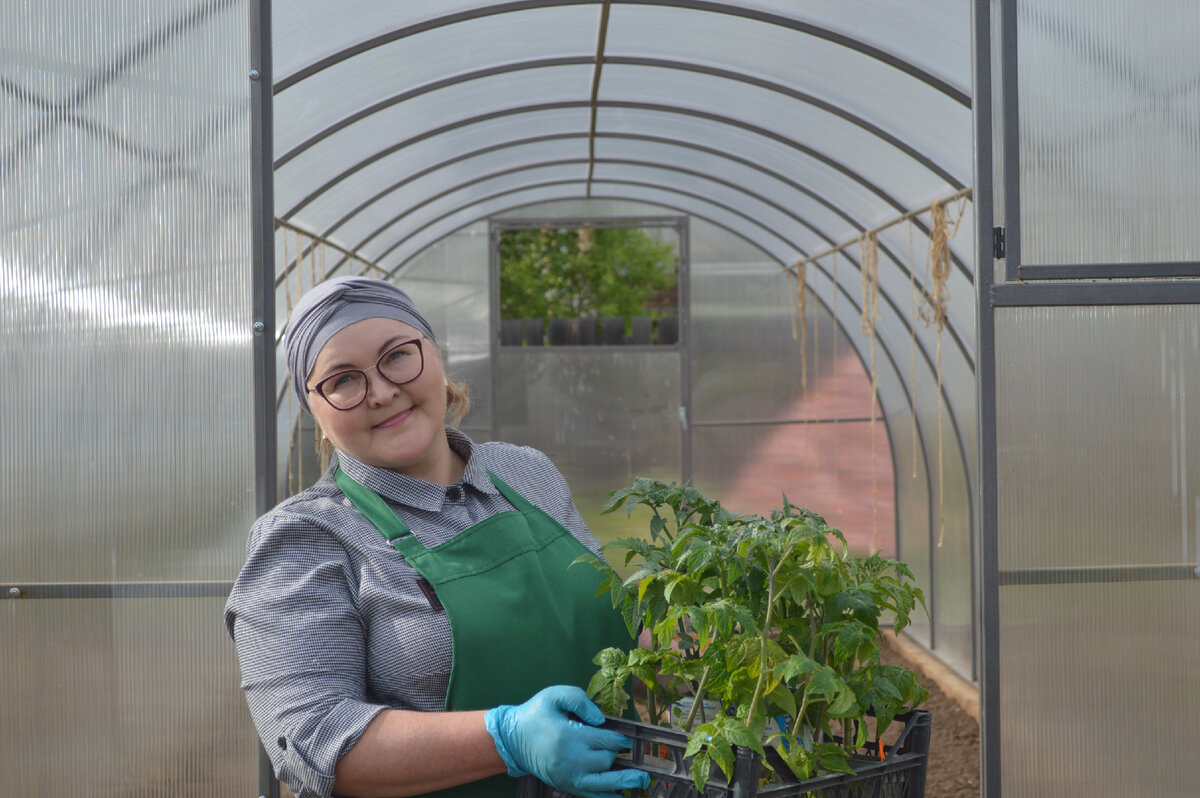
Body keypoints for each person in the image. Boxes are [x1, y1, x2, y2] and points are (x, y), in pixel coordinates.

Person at [224, 276, 649, 798]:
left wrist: (719, 663)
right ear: (315, 408)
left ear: (435, 354)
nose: (381, 392)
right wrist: (505, 739)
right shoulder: (305, 538)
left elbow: (601, 614)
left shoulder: (525, 473)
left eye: (397, 356)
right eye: (343, 380)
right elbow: (311, 741)